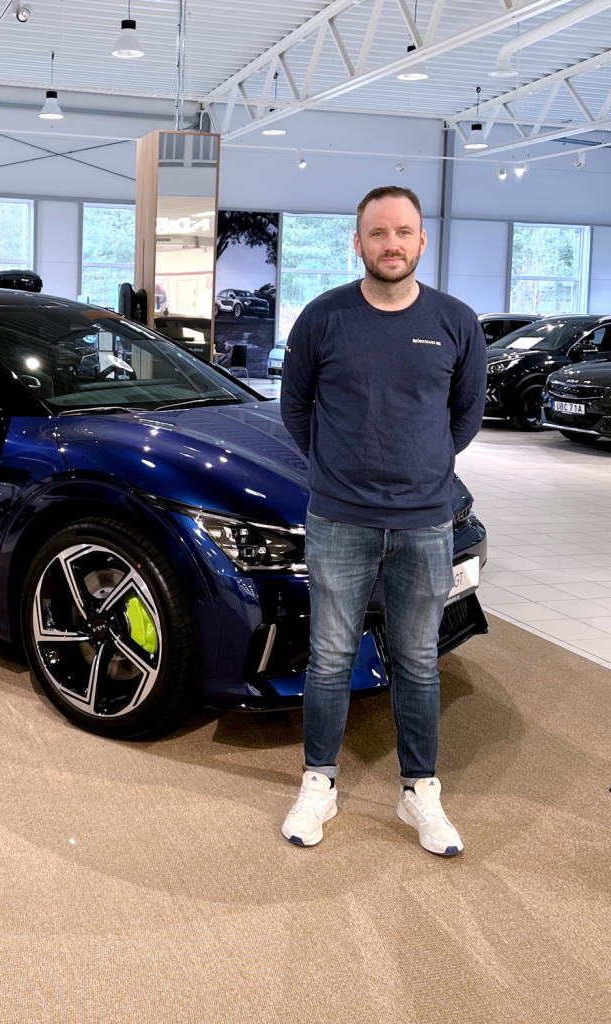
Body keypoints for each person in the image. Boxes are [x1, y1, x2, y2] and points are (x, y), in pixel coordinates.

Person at [278, 185, 486, 856]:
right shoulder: (323, 318)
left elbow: (466, 415)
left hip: (425, 522)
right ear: (358, 243)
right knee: (330, 658)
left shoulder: (455, 321)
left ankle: (419, 790)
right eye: (377, 233)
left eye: (402, 232)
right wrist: (336, 467)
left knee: (418, 661)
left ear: (421, 240)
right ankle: (319, 781)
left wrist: (423, 466)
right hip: (339, 519)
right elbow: (295, 407)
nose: (390, 244)